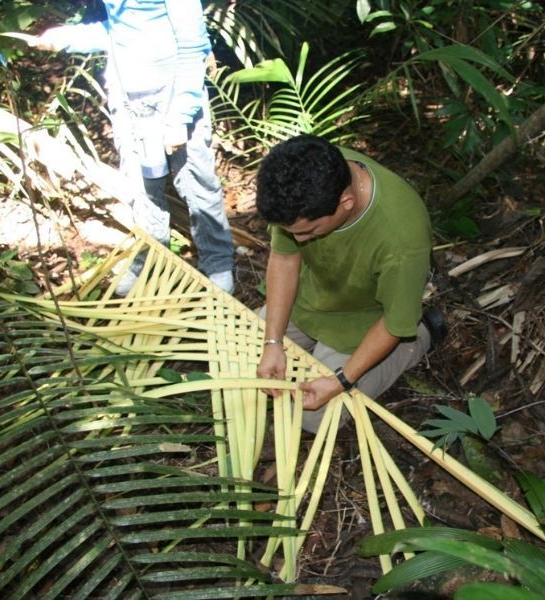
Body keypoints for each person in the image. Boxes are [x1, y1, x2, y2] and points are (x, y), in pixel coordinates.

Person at [32, 0, 235, 294]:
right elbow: (119, 28)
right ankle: (152, 259)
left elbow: (193, 45)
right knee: (141, 188)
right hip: (128, 96)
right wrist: (65, 38)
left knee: (196, 181)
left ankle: (217, 263)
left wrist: (180, 115)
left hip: (174, 93)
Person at [255, 134, 445, 433]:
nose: (299, 239)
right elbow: (285, 259)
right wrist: (273, 342)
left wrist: (340, 380)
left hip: (365, 322)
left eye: (310, 231)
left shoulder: (401, 239)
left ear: (346, 202)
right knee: (242, 360)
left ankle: (420, 336)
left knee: (311, 416)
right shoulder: (306, 176)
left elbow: (393, 325)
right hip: (309, 300)